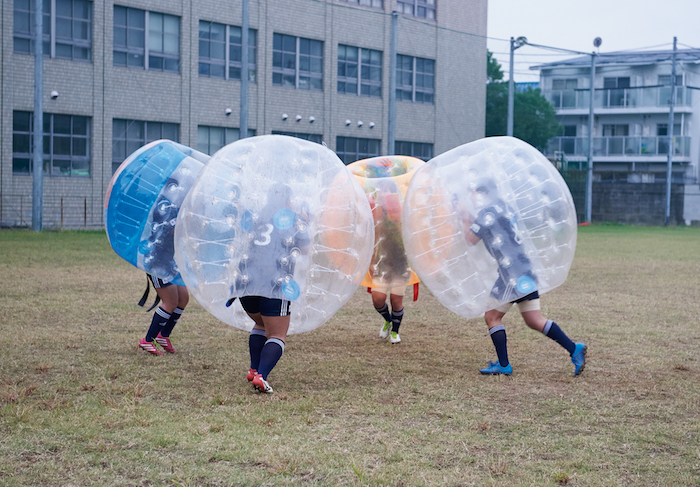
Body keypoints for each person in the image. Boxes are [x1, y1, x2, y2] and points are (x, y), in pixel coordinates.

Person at [459, 180, 587, 376]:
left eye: (475, 193)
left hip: (511, 275)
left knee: (492, 316)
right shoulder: (503, 207)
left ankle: (503, 365)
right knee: (534, 320)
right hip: (524, 270)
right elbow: (488, 227)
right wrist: (469, 216)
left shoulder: (488, 212)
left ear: (483, 193)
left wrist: (464, 217)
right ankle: (574, 349)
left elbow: (471, 239)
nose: (472, 197)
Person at [228, 183, 310, 393]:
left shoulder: (258, 216)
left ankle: (254, 369)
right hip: (275, 284)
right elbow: (305, 249)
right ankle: (262, 376)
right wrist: (305, 224)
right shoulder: (293, 219)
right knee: (277, 334)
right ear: (286, 200)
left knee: (260, 325)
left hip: (246, 282)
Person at [367, 181, 412, 344]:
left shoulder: (399, 209)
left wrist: (394, 210)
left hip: (400, 261)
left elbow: (407, 231)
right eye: (379, 191)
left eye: (385, 190)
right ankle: (388, 320)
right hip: (382, 261)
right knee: (377, 299)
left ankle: (395, 331)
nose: (382, 193)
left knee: (396, 299)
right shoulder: (375, 212)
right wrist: (371, 262)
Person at [138, 274, 189, 355]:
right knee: (170, 302)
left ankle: (163, 335)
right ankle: (147, 341)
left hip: (172, 265)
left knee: (183, 299)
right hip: (158, 267)